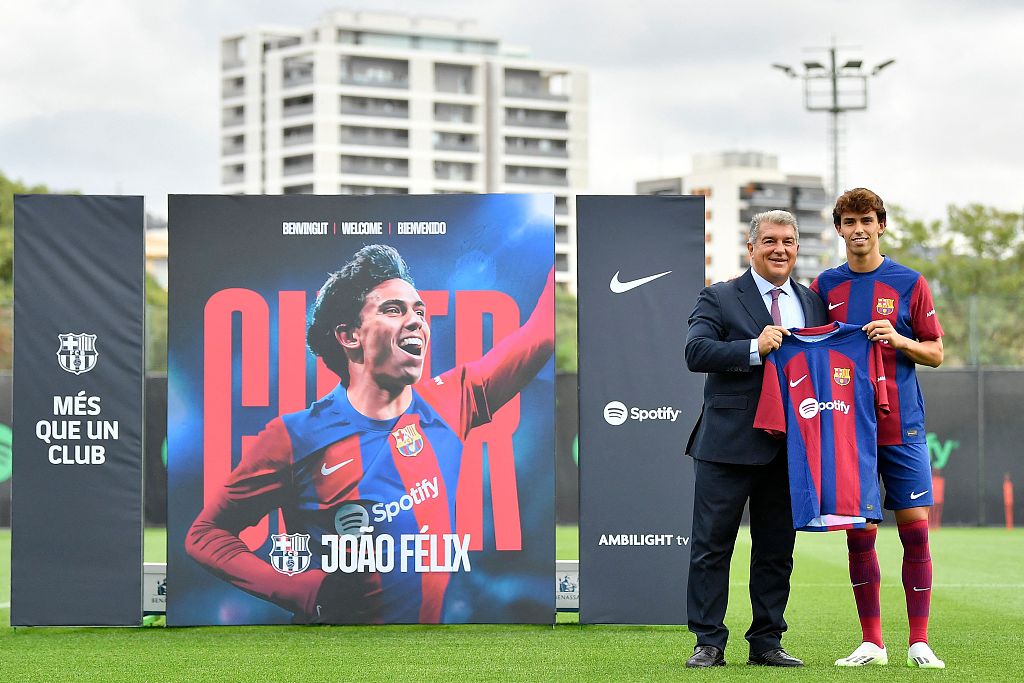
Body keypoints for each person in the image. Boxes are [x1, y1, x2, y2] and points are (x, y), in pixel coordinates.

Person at [186, 244, 554, 624]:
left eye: (420, 311)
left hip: (430, 653)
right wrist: (302, 589)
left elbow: (541, 333)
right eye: (393, 310)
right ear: (349, 335)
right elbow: (205, 534)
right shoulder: (293, 436)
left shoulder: (451, 398)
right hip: (336, 654)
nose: (417, 321)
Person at [684, 209, 828, 668]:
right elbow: (695, 351)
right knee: (712, 546)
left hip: (791, 447)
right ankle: (708, 641)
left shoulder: (813, 303)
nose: (779, 249)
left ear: (797, 248)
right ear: (751, 248)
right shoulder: (720, 296)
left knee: (776, 549)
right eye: (769, 241)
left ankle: (767, 641)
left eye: (787, 241)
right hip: (726, 443)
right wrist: (753, 348)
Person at [811, 187, 946, 669]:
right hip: (850, 430)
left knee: (915, 531)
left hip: (902, 426)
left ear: (881, 225)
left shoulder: (910, 282)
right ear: (840, 230)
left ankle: (919, 642)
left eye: (866, 220)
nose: (858, 230)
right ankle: (872, 643)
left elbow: (935, 353)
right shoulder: (824, 286)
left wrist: (899, 338)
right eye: (849, 222)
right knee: (859, 534)